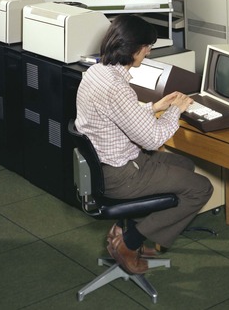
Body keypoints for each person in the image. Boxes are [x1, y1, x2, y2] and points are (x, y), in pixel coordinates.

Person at [75, 14, 213, 275]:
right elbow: (153, 139)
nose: (148, 52)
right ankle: (130, 242)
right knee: (201, 188)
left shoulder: (97, 72)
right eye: (147, 47)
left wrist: (156, 107)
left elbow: (119, 115)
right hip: (121, 175)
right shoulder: (117, 88)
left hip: (104, 168)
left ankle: (124, 230)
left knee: (184, 164)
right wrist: (176, 110)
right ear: (133, 48)